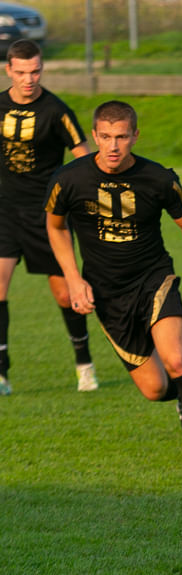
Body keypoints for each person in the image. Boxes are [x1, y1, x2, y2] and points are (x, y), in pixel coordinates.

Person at [45, 101, 182, 472]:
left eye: (122, 137)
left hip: (153, 280)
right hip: (107, 293)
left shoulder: (158, 179)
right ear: (95, 136)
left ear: (135, 135)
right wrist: (73, 277)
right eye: (107, 137)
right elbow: (56, 226)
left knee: (177, 358)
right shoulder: (70, 179)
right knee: (154, 389)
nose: (114, 146)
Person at [0, 39, 99, 395]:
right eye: (22, 72)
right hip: (5, 211)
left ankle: (84, 366)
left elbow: (85, 157)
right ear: (9, 69)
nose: (29, 79)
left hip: (47, 216)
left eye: (36, 71)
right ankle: (2, 373)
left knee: (64, 294)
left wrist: (85, 199)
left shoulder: (56, 110)